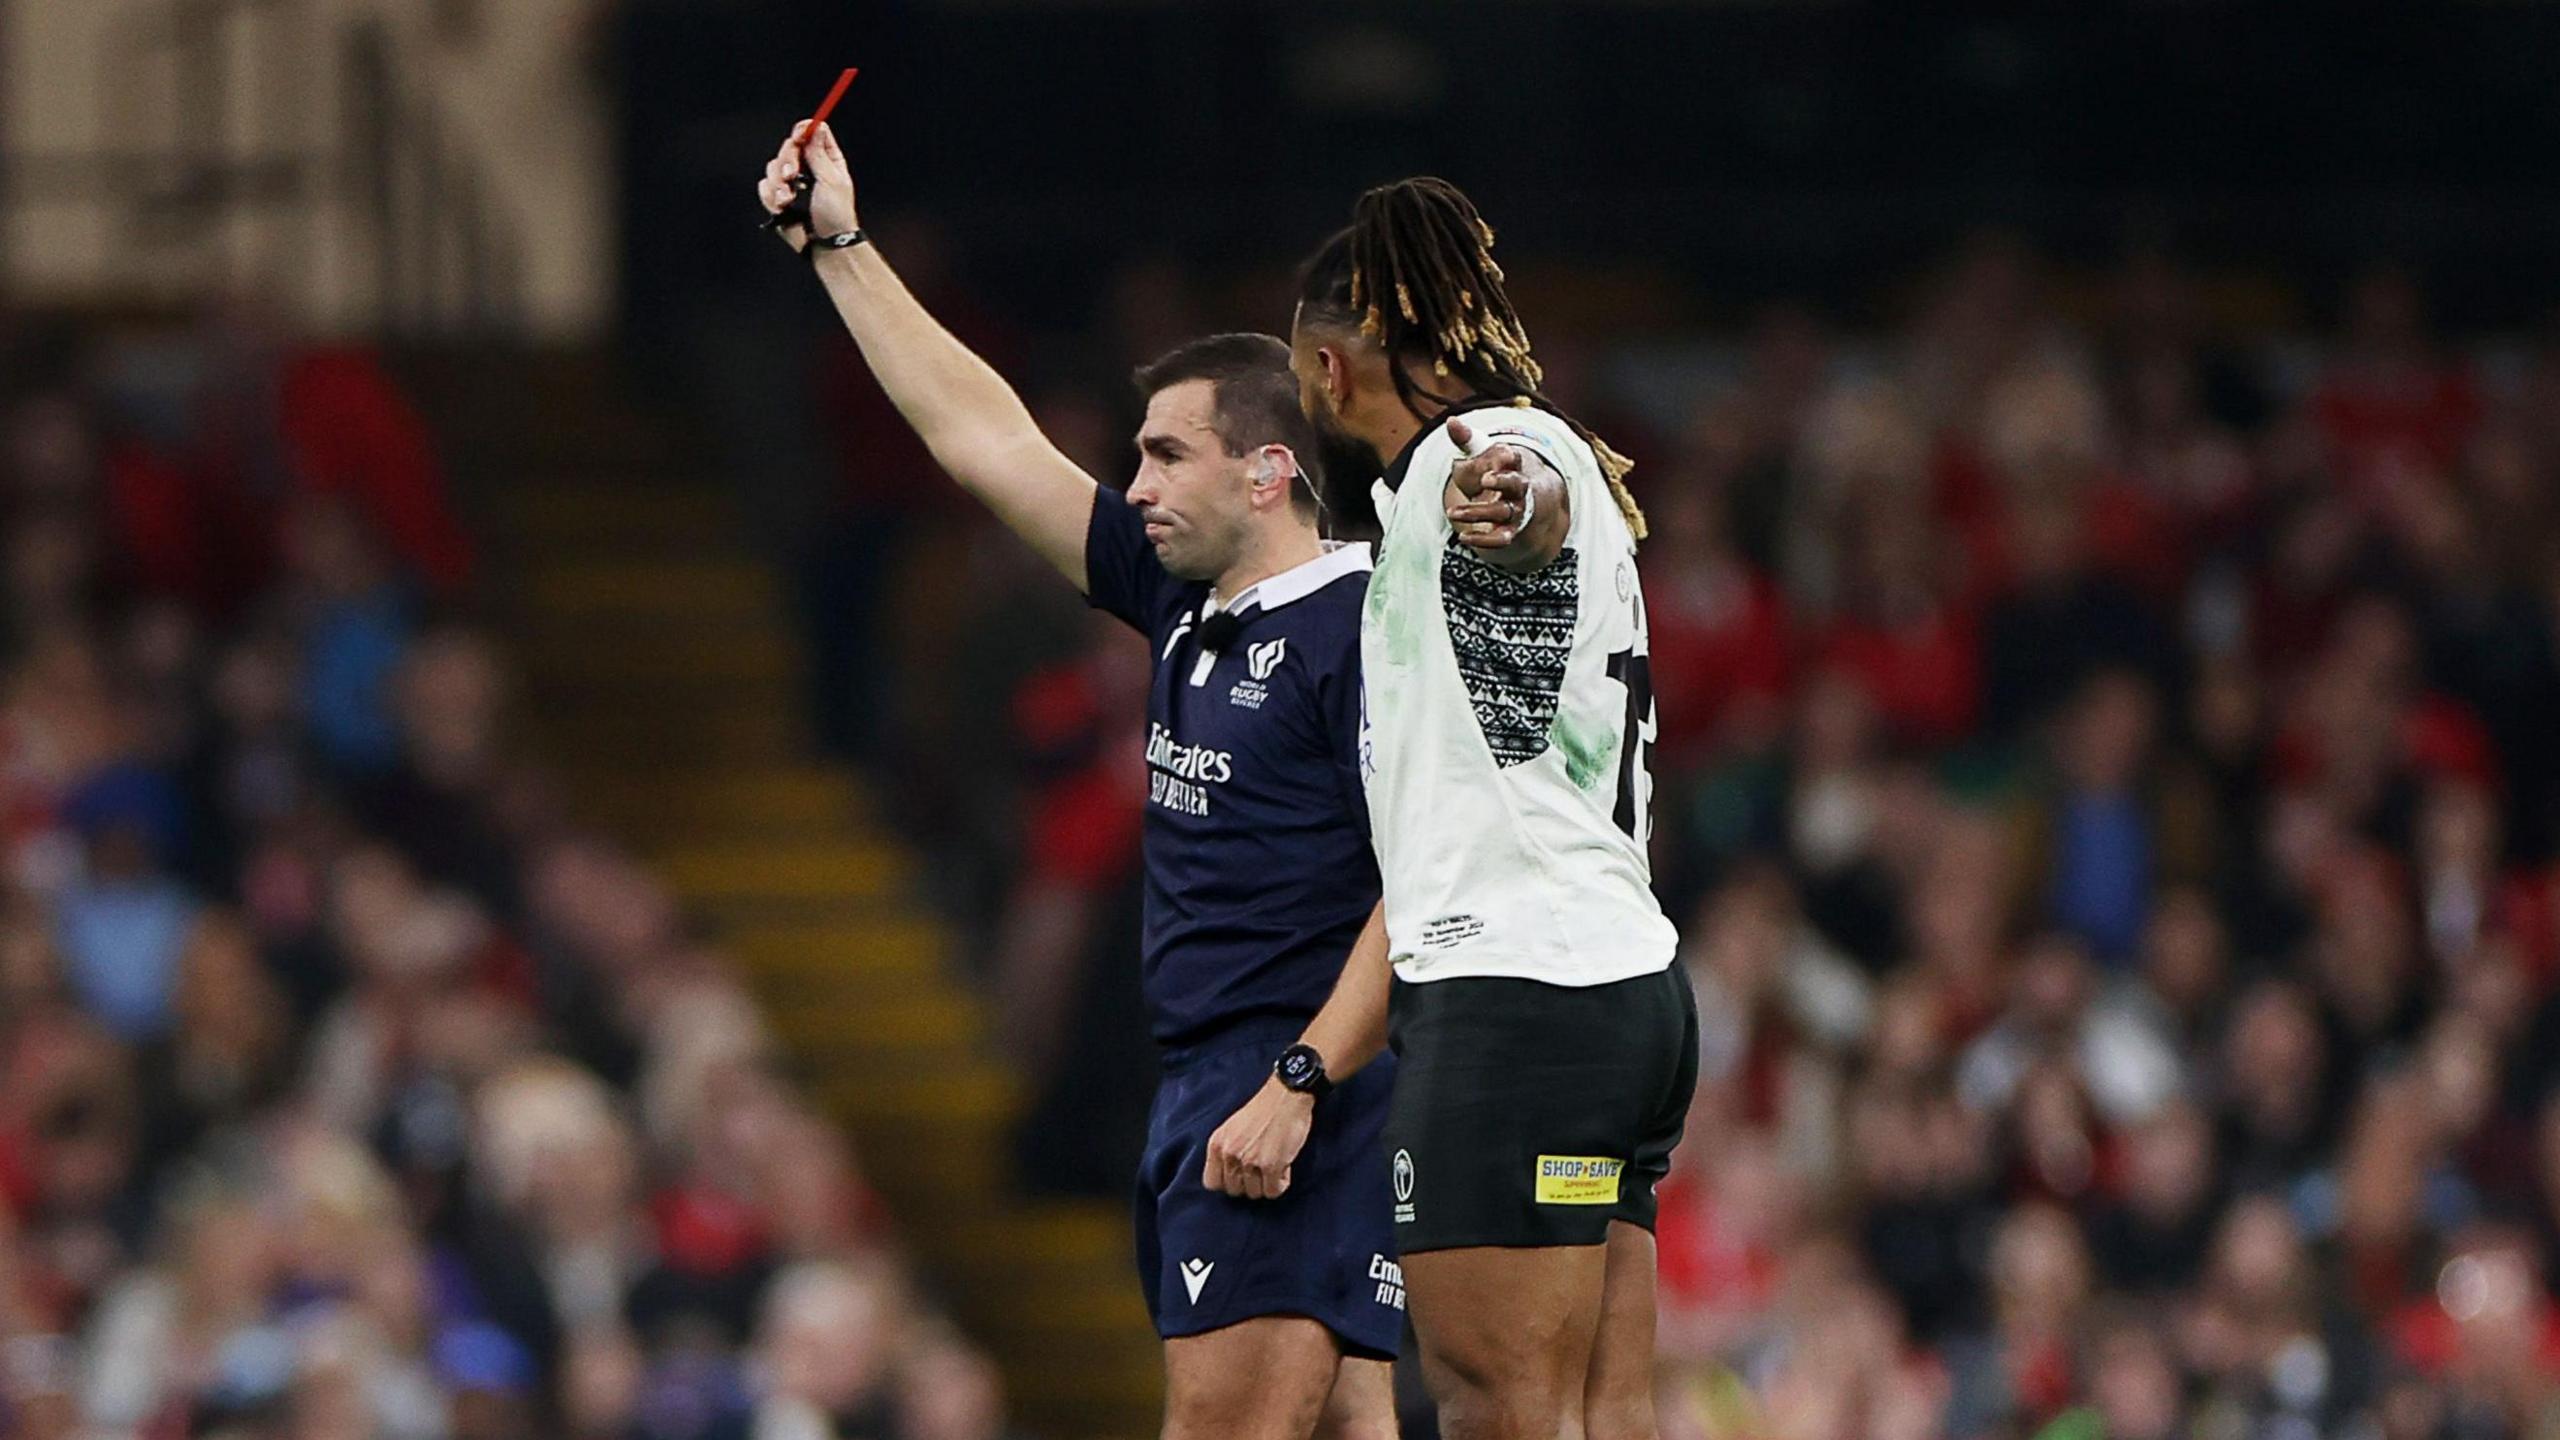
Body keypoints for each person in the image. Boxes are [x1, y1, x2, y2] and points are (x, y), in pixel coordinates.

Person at [755, 123, 1401, 1440]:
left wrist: (1298, 1084)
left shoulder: (1364, 634)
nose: (1135, 483)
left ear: (1271, 472)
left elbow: (1432, 885)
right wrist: (844, 252)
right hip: (1222, 1089)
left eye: (1168, 455)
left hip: (1283, 1097)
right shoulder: (1186, 605)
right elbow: (984, 440)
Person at [1285, 176, 1698, 1440]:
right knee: (1599, 1414)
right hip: (1612, 999)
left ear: (1328, 366)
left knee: (1497, 1410)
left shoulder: (1498, 453)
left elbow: (1523, 504)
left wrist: (1512, 506)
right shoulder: (1433, 490)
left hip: (1513, 1003)